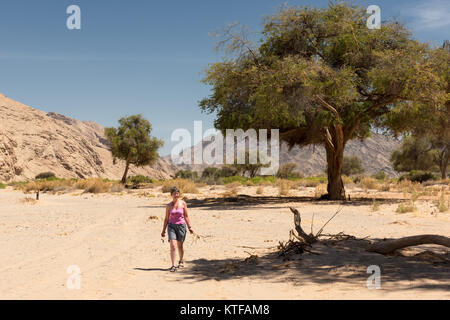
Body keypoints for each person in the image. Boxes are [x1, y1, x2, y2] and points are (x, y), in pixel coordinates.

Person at [161, 186, 194, 272]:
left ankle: (181, 260)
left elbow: (186, 216)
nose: (176, 195)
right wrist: (163, 230)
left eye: (177, 193)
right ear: (171, 195)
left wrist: (190, 227)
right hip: (171, 226)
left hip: (181, 226)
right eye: (174, 193)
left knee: (180, 246)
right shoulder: (168, 206)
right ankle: (173, 265)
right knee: (173, 245)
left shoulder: (183, 203)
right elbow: (166, 219)